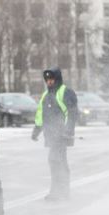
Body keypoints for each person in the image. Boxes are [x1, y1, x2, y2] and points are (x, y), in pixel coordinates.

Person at [32, 67, 78, 201]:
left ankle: (62, 192)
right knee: (54, 161)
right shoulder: (46, 96)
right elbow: (41, 115)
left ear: (57, 79)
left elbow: (72, 112)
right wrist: (36, 130)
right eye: (47, 80)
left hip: (62, 135)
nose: (49, 82)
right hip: (51, 135)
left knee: (58, 161)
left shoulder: (65, 92)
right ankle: (57, 191)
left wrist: (68, 130)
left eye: (51, 79)